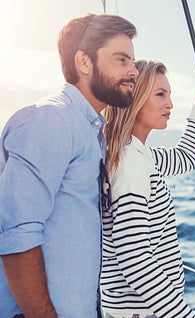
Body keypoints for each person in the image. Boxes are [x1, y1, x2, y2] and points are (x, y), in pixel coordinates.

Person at [0, 13, 138, 317]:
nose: (133, 72)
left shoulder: (89, 130)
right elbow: (17, 236)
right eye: (121, 60)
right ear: (84, 62)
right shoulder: (51, 120)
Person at [100, 60, 195, 318]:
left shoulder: (139, 154)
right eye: (160, 94)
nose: (170, 104)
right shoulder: (131, 163)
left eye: (170, 95)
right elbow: (135, 259)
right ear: (135, 98)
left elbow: (185, 158)